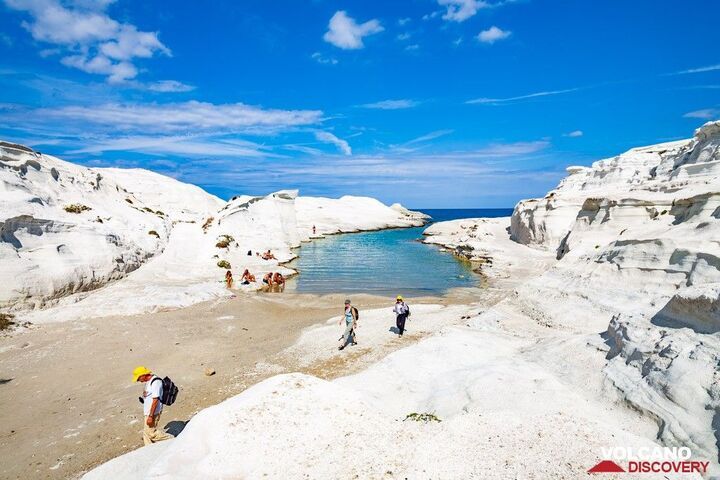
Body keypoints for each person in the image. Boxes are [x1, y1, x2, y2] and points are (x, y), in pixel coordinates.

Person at [133, 366, 173, 446]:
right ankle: (149, 450)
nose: (138, 380)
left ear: (143, 375)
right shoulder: (149, 381)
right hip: (148, 412)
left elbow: (155, 400)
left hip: (153, 412)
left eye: (138, 378)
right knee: (146, 433)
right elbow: (150, 396)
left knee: (151, 433)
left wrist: (151, 416)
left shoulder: (156, 382)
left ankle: (173, 439)